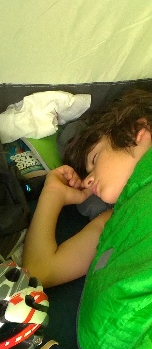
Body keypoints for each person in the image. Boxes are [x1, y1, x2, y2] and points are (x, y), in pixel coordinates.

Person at [22, 87, 152, 288]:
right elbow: (39, 271)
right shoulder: (115, 219)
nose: (86, 182)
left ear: (136, 131)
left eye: (94, 158)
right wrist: (53, 193)